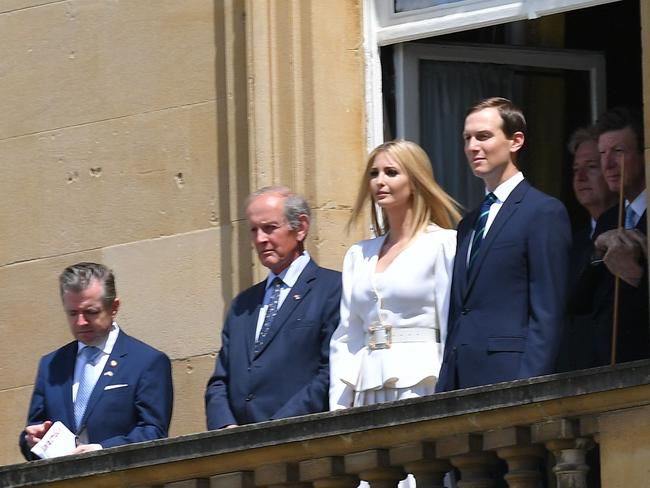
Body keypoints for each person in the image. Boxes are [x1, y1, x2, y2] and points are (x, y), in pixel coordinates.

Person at [436, 97, 571, 392]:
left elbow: (548, 312)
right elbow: (461, 312)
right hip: (460, 384)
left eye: (483, 136)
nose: (472, 147)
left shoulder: (543, 212)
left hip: (511, 379)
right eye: (467, 138)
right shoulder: (468, 224)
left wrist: (528, 388)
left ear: (515, 141)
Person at [329, 139, 460, 409]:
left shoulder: (443, 244)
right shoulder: (358, 254)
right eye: (374, 173)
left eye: (391, 172)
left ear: (414, 180)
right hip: (367, 385)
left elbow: (450, 322)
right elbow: (347, 335)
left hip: (423, 381)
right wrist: (339, 403)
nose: (379, 181)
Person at [205, 186, 341, 429]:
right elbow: (219, 381)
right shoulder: (243, 305)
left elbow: (332, 370)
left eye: (270, 228)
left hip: (302, 441)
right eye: (254, 230)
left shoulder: (332, 289)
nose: (260, 239)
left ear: (300, 227)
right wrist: (226, 427)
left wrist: (278, 427)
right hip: (240, 448)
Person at [20, 262, 173, 460]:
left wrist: (103, 450)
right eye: (73, 313)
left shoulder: (147, 362)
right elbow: (33, 432)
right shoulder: (51, 365)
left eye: (91, 312)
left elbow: (154, 433)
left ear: (114, 308)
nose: (80, 322)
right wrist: (31, 439)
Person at [588, 107, 648, 362]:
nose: (608, 164)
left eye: (619, 152)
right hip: (608, 368)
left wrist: (634, 274)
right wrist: (597, 248)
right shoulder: (609, 220)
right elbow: (580, 301)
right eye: (602, 153)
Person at [557, 126, 617, 371]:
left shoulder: (632, 229)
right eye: (575, 170)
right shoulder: (573, 243)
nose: (580, 178)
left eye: (591, 167)